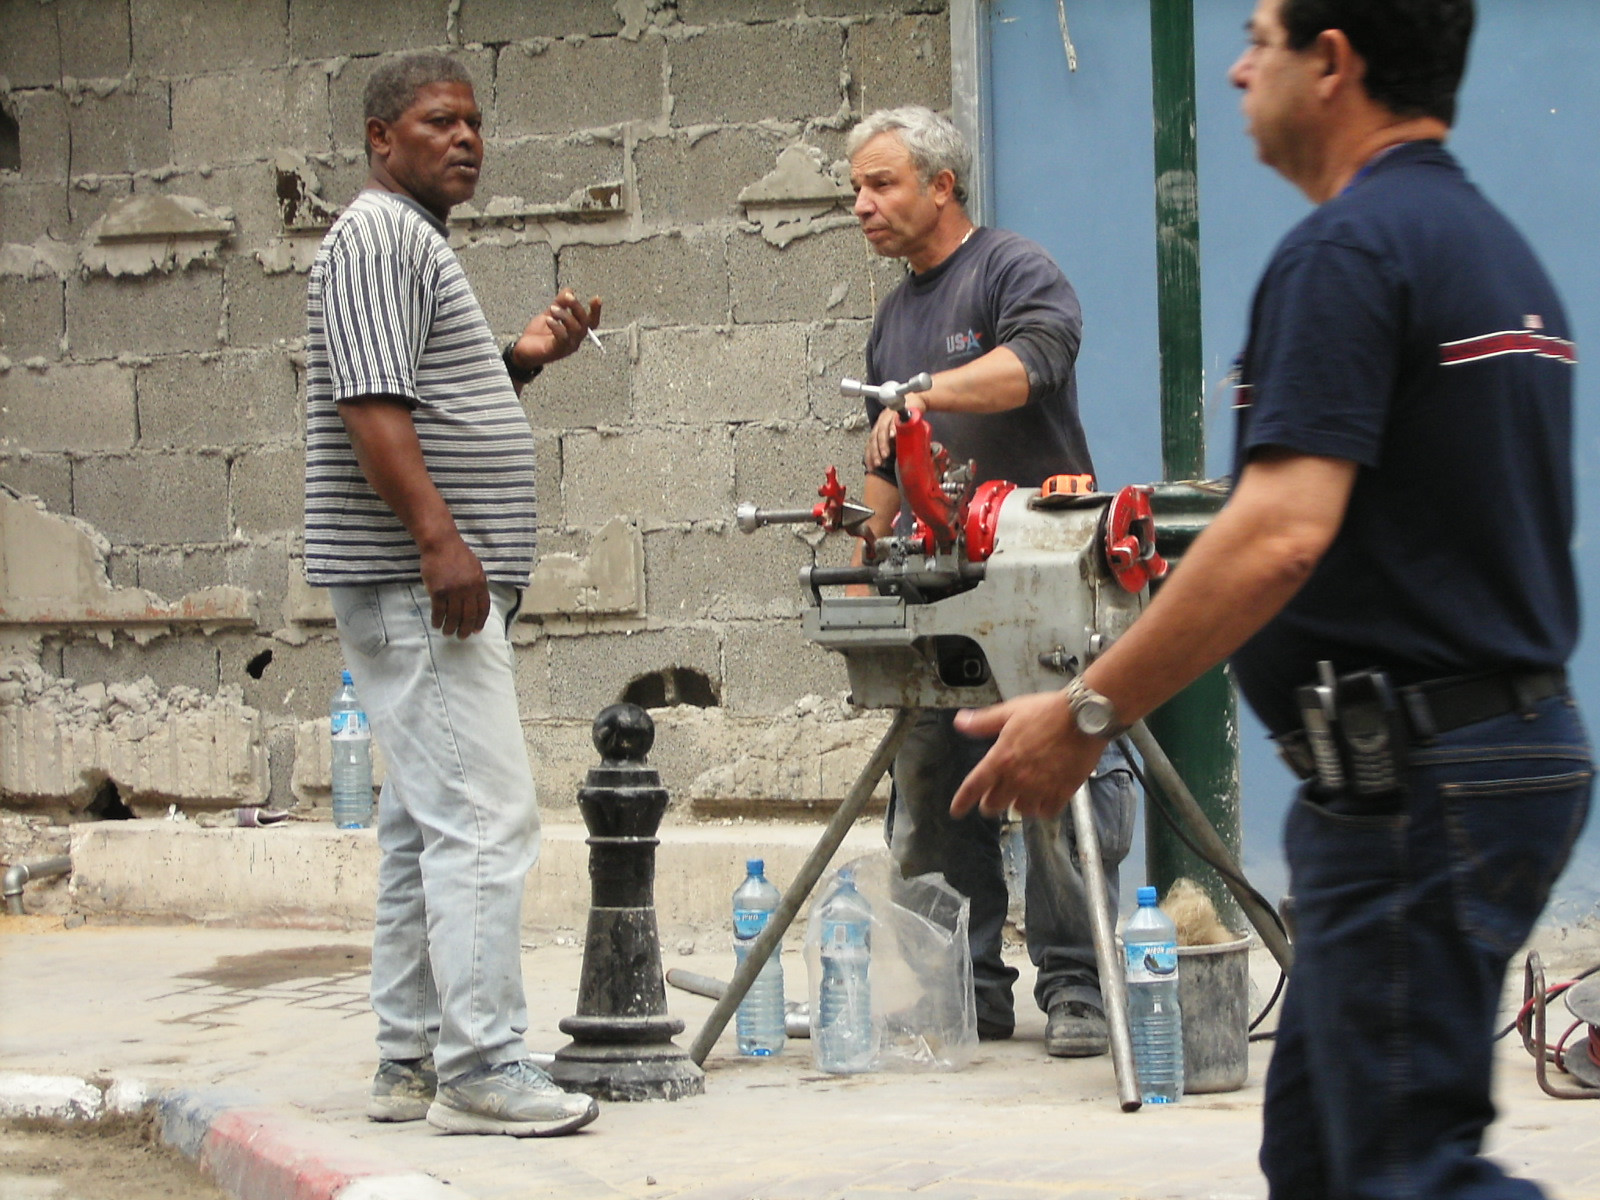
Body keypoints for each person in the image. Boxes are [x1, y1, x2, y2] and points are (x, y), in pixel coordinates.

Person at [951, 2, 1591, 1195]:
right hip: (1482, 751)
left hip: (1418, 780)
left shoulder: (1348, 252)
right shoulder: (1488, 250)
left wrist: (1088, 711)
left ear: (1332, 62)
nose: (1239, 70)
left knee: (1397, 1171)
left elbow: (1278, 537)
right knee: (1318, 1157)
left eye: (1260, 41)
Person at [303, 53, 603, 1139]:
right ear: (381, 139)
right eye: (439, 122)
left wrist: (517, 361)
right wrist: (440, 541)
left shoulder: (411, 241)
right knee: (485, 819)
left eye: (475, 122)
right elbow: (372, 407)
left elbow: (422, 393)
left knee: (423, 826)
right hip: (414, 583)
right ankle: (481, 1066)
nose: (467, 139)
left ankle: (412, 1058)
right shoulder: (379, 235)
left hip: (418, 583)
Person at [845, 105, 1137, 1056]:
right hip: (938, 591)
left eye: (880, 183)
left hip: (1041, 581)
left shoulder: (1012, 268)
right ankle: (962, 990)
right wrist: (864, 551)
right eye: (855, 188)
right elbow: (888, 461)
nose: (861, 205)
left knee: (1062, 784)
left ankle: (1078, 984)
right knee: (930, 783)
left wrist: (923, 391)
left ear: (942, 186)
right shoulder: (893, 317)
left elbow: (1035, 364)